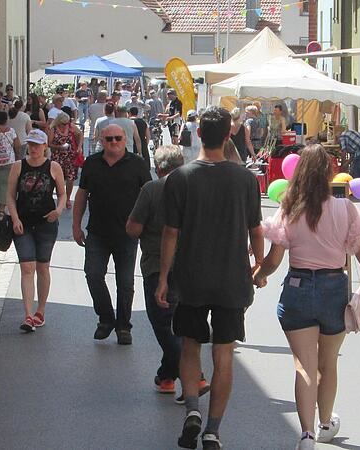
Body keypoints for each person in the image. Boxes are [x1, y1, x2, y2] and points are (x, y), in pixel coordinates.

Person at [252, 144, 360, 449]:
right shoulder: (345, 209)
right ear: (329, 172)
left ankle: (306, 434)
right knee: (328, 363)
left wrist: (258, 276)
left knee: (304, 365)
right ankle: (326, 422)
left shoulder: (289, 207)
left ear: (299, 171)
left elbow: (275, 260)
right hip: (333, 290)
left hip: (298, 289)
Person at [156, 107, 264, 450]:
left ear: (199, 134)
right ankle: (214, 430)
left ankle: (192, 409)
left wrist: (162, 278)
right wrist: (259, 266)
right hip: (232, 279)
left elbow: (170, 234)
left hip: (191, 277)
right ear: (228, 135)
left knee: (190, 344)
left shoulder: (180, 178)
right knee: (224, 354)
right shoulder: (245, 179)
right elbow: (256, 229)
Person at [127, 145, 212, 401]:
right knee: (183, 324)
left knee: (163, 323)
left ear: (158, 167)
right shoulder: (198, 189)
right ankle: (166, 377)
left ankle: (194, 375)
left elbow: (132, 228)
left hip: (157, 265)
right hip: (193, 266)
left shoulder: (152, 189)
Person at [73, 124, 151, 345]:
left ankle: (124, 327)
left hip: (128, 234)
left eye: (117, 138)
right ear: (101, 140)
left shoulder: (137, 164)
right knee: (93, 275)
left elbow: (149, 197)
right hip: (97, 232)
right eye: (109, 139)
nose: (113, 142)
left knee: (125, 283)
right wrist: (76, 225)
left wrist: (147, 228)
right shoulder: (92, 163)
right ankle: (106, 318)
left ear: (125, 139)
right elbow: (82, 194)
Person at [7, 129, 66, 332]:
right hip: (22, 223)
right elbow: (10, 196)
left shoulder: (54, 167)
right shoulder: (18, 166)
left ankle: (40, 310)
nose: (33, 149)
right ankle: (28, 315)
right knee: (26, 267)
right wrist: (14, 218)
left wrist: (58, 211)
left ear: (44, 147)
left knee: (42, 267)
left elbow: (63, 194)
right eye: (30, 145)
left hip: (46, 224)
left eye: (37, 145)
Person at [47, 111, 83, 209]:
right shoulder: (53, 129)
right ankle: (58, 198)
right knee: (56, 179)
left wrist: (79, 147)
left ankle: (67, 199)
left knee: (70, 179)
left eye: (67, 123)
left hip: (71, 157)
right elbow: (49, 144)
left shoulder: (70, 127)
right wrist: (60, 147)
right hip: (57, 158)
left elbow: (80, 134)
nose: (66, 125)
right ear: (58, 122)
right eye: (63, 123)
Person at [130, 106, 151, 171]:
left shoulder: (128, 122)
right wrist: (145, 144)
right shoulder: (143, 122)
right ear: (137, 113)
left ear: (129, 113)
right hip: (142, 144)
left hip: (131, 144)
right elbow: (148, 136)